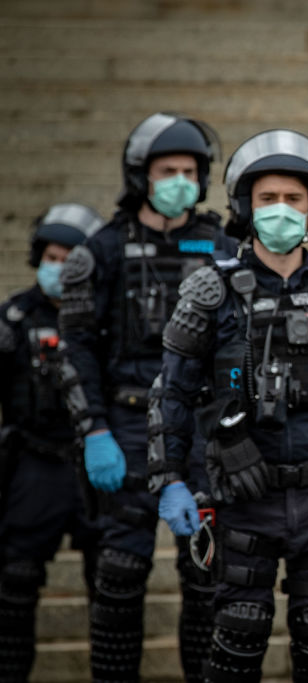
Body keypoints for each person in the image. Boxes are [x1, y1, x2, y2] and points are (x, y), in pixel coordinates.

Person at [154, 128, 308, 683]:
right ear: (243, 207)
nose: (280, 210)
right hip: (241, 500)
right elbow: (173, 393)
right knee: (237, 641)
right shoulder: (209, 292)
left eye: (293, 199)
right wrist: (170, 479)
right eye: (267, 199)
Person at [58, 112, 234, 682]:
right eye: (167, 169)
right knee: (119, 574)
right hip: (127, 426)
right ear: (141, 175)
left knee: (207, 580)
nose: (179, 178)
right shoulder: (101, 251)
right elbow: (76, 350)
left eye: (189, 169)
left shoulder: (222, 246)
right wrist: (95, 432)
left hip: (203, 429)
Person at [0, 203, 104, 681]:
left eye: (71, 258)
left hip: (96, 464)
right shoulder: (14, 317)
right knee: (15, 581)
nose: (59, 267)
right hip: (33, 465)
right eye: (52, 256)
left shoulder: (104, 321)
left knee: (110, 581)